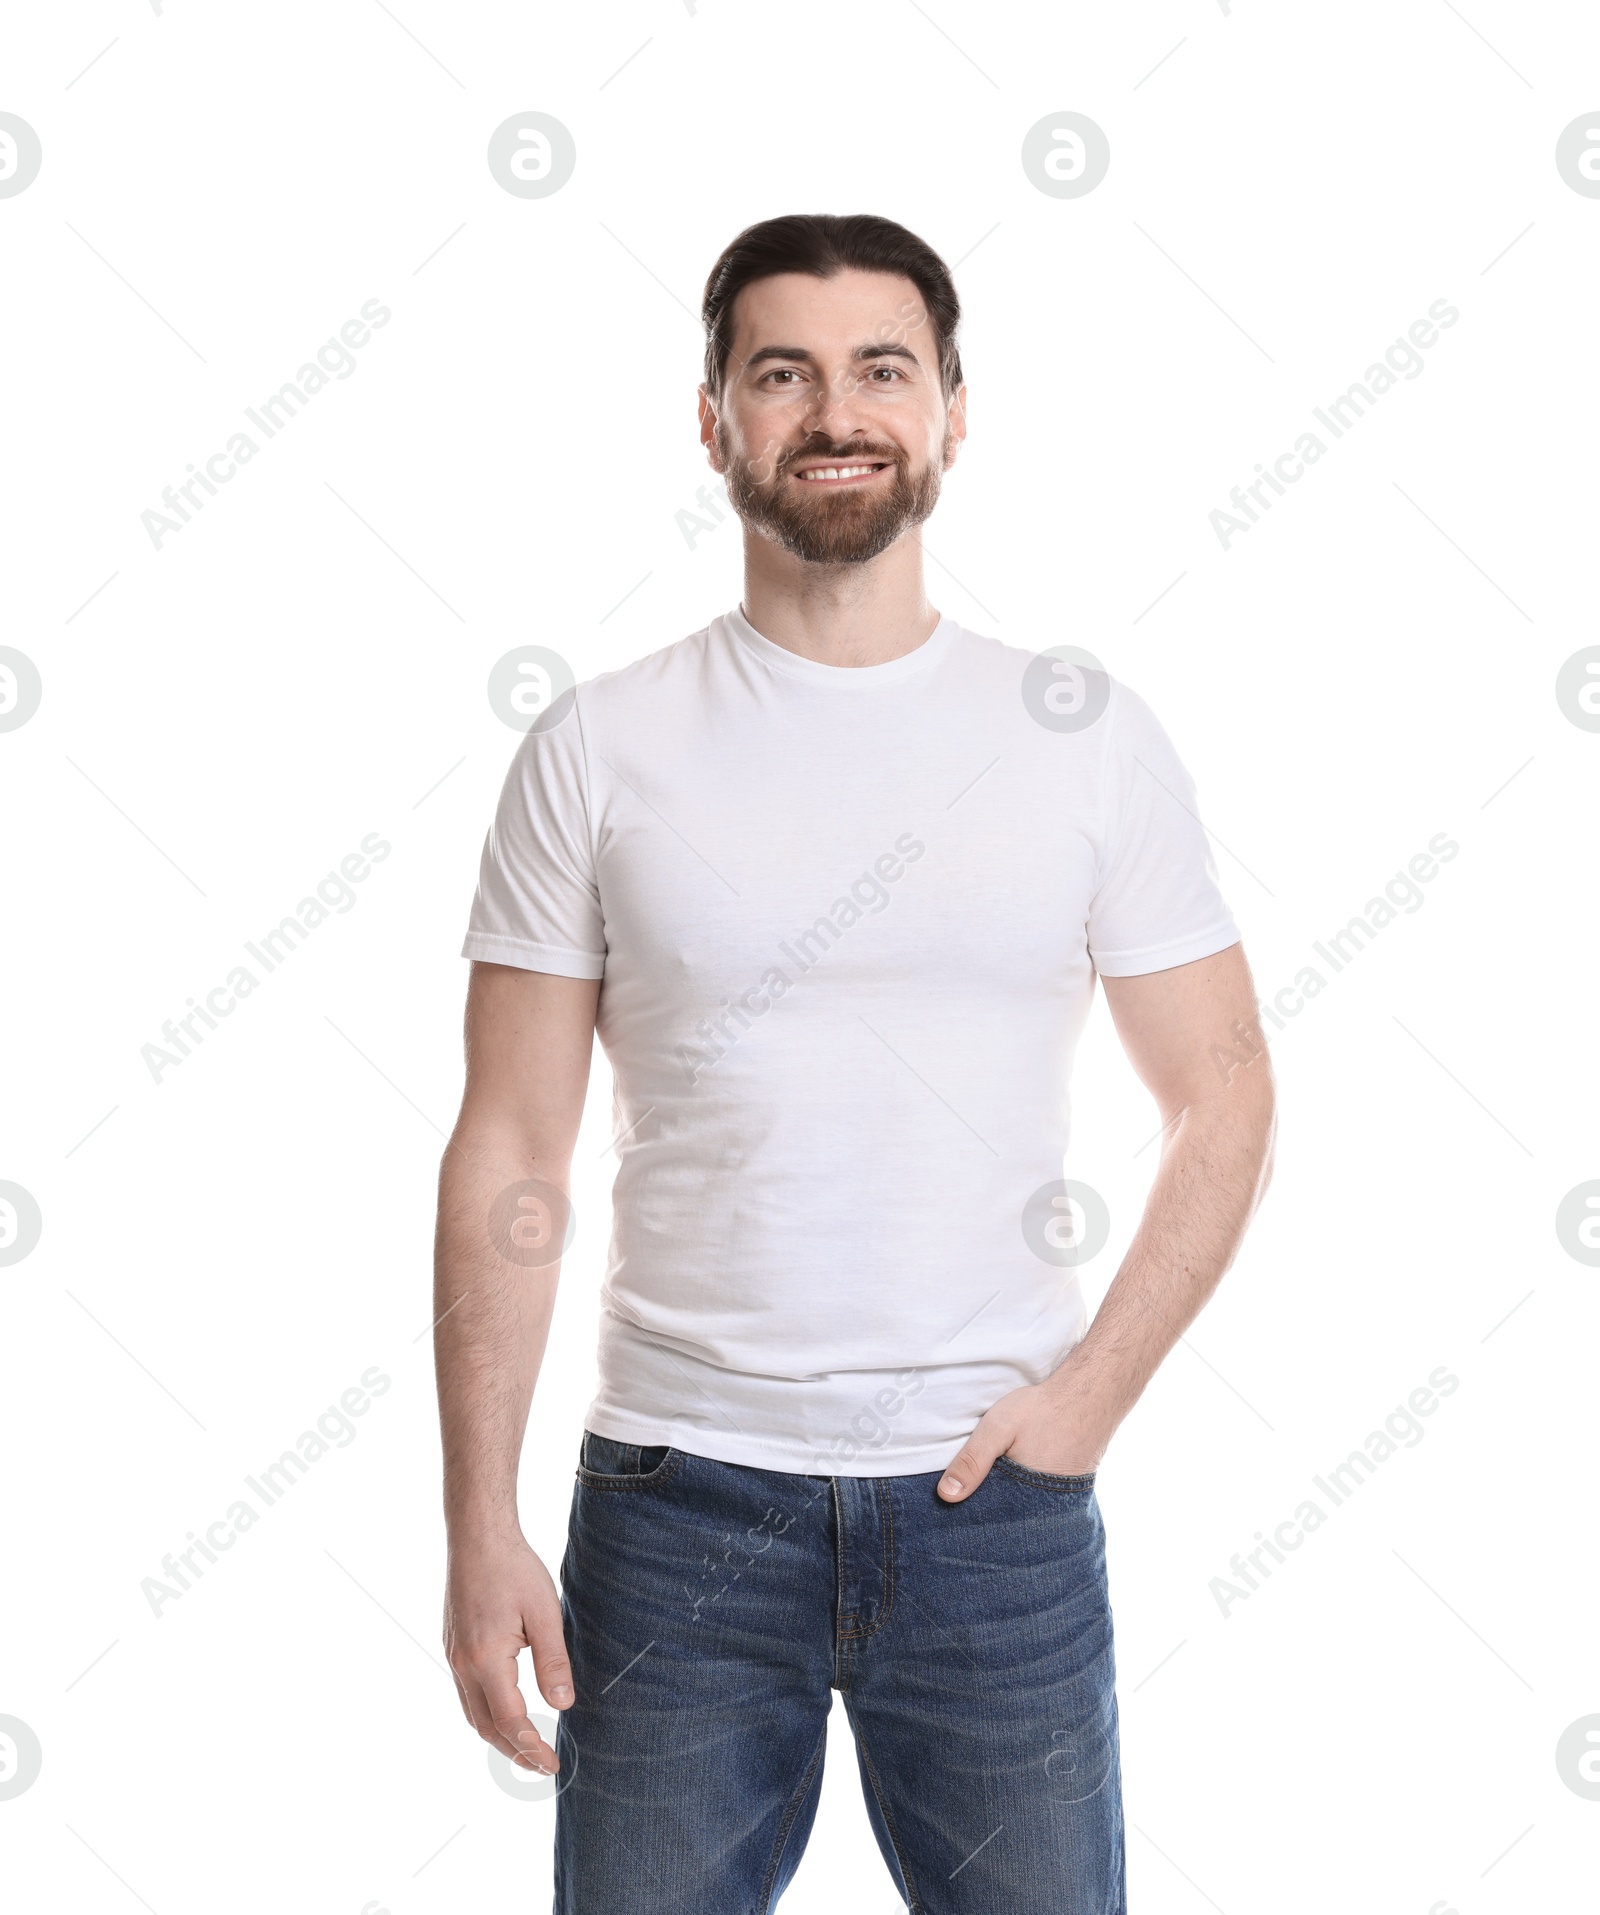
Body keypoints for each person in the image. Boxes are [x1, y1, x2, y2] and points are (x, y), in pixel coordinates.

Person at [435, 212, 1276, 1914]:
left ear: (955, 409)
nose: (838, 411)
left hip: (996, 1515)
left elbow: (1226, 1091)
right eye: (784, 373)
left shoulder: (1081, 737)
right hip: (672, 1509)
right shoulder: (598, 745)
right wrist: (480, 1522)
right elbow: (513, 1150)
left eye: (884, 370)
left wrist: (1086, 1406)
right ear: (716, 418)